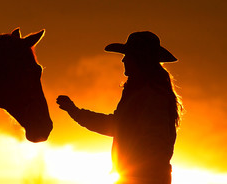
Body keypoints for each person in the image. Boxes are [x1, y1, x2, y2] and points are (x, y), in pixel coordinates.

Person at [56, 31, 182, 184]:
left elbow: (120, 127)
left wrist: (75, 112)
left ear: (140, 60)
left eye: (128, 55)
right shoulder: (143, 93)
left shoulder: (151, 96)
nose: (123, 59)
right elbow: (118, 125)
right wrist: (75, 112)